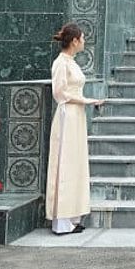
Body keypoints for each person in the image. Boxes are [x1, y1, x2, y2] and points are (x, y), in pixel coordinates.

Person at [46, 23, 104, 235]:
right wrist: (86, 100)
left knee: (74, 164)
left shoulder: (70, 62)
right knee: (66, 164)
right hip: (67, 114)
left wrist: (86, 101)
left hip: (76, 114)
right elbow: (60, 93)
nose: (84, 42)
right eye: (82, 38)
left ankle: (72, 216)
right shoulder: (61, 63)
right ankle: (62, 220)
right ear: (74, 41)